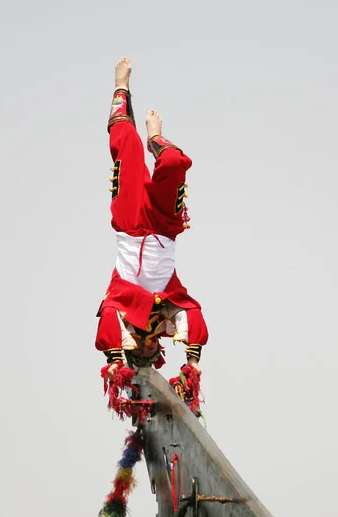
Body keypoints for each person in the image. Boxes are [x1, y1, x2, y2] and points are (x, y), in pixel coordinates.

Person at [96, 57, 208, 381]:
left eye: (138, 348)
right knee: (173, 163)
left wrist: (116, 364)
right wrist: (192, 365)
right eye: (150, 349)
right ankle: (156, 140)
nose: (145, 345)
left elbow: (106, 324)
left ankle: (121, 87)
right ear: (156, 344)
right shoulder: (169, 309)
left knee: (126, 145)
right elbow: (194, 316)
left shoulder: (119, 300)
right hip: (163, 226)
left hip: (129, 222)